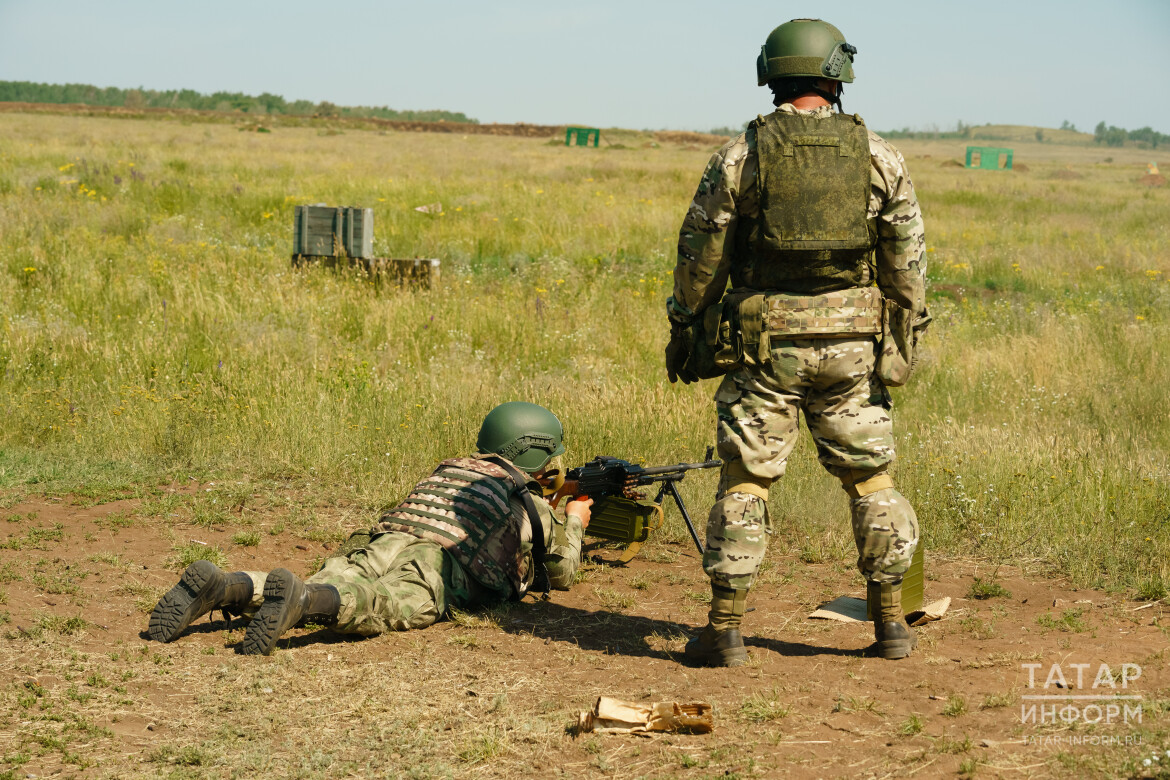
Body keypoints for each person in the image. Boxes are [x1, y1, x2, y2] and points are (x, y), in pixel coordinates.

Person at [664, 19, 930, 665]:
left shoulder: (740, 156)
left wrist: (684, 321)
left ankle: (725, 632)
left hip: (764, 347)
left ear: (772, 72)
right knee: (872, 480)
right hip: (854, 344)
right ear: (836, 73)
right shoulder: (880, 155)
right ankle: (891, 625)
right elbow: (908, 260)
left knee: (746, 482)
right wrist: (904, 329)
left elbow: (703, 252)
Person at [148, 402, 592, 655]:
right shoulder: (528, 502)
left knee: (331, 577)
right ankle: (304, 603)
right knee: (384, 603)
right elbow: (562, 572)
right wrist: (574, 518)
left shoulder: (453, 468)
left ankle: (229, 586)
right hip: (439, 564)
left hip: (389, 537)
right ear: (536, 455)